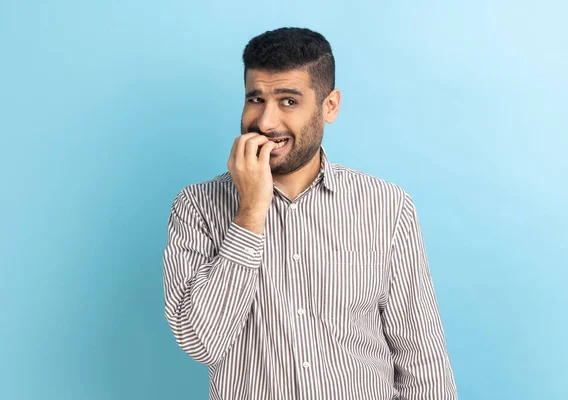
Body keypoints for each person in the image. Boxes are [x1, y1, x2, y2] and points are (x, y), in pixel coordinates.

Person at [162, 27, 458, 400]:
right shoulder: (197, 207)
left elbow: (421, 358)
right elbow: (201, 342)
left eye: (288, 101)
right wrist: (251, 212)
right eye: (256, 98)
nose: (266, 122)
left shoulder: (386, 206)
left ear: (329, 106)